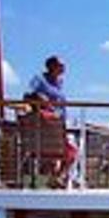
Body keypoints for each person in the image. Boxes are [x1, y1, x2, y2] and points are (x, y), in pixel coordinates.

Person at [23, 55, 76, 186]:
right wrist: (41, 99)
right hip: (46, 129)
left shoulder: (60, 82)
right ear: (51, 66)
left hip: (59, 126)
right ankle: (53, 179)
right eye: (61, 65)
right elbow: (27, 95)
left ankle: (57, 177)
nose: (64, 67)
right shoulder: (39, 79)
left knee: (69, 150)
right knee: (69, 150)